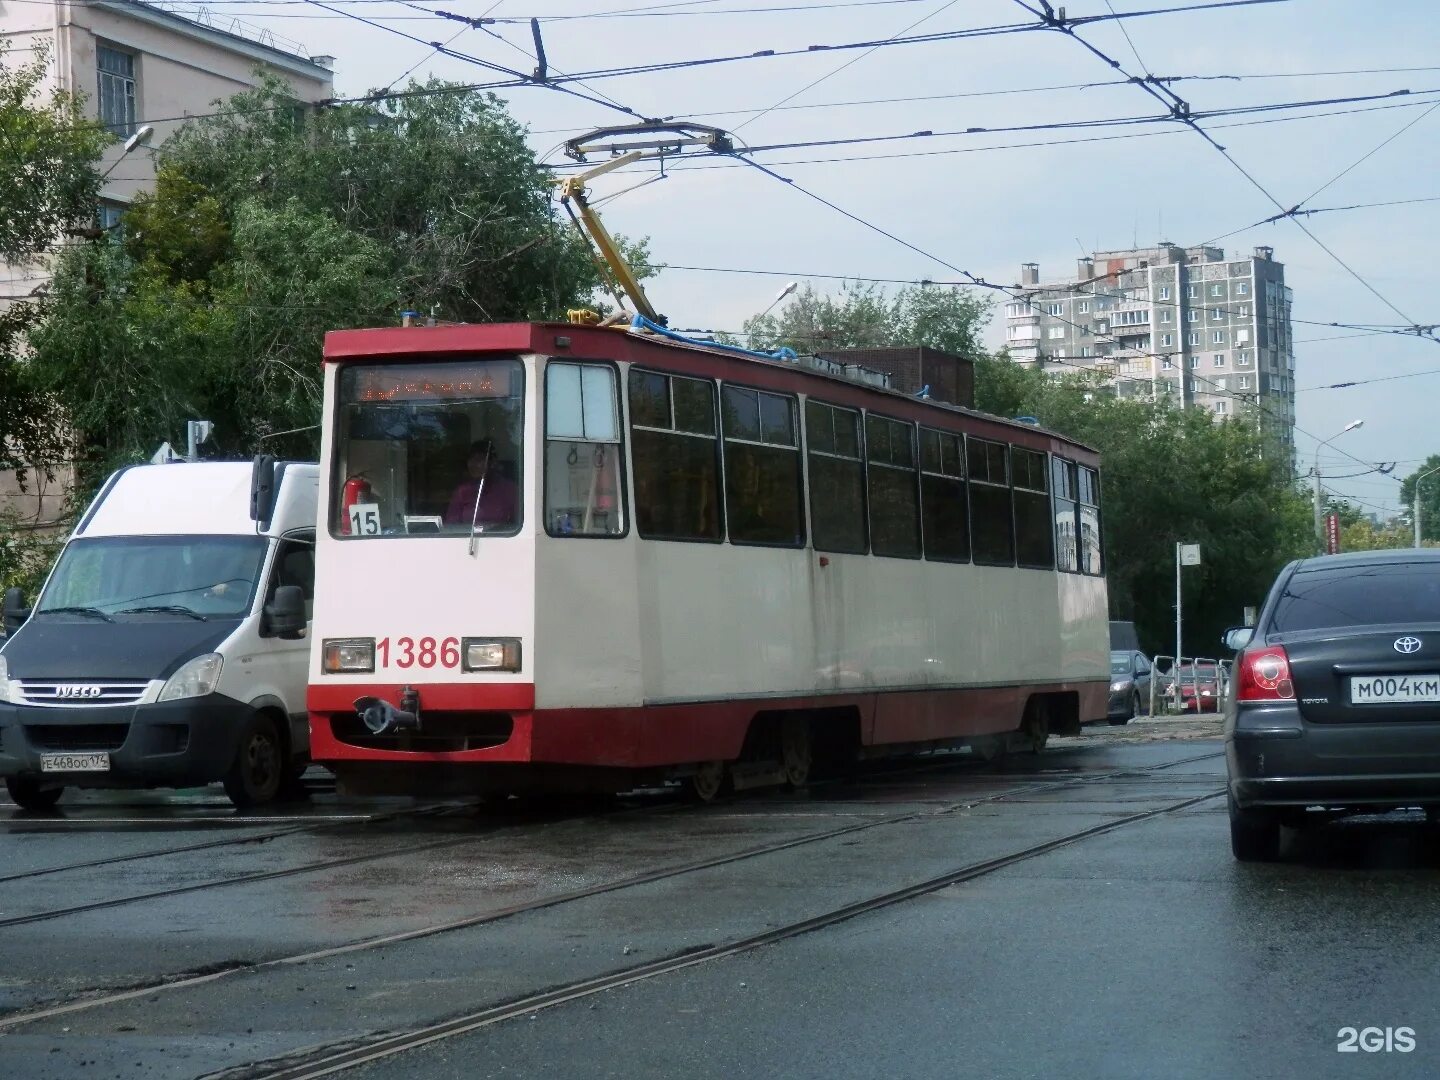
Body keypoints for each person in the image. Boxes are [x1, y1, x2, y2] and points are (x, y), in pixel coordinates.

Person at [445, 439, 518, 528]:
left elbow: (517, 523)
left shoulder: (509, 489)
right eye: (470, 460)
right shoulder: (462, 491)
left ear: (492, 462)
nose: (472, 464)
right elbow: (452, 525)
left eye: (478, 460)